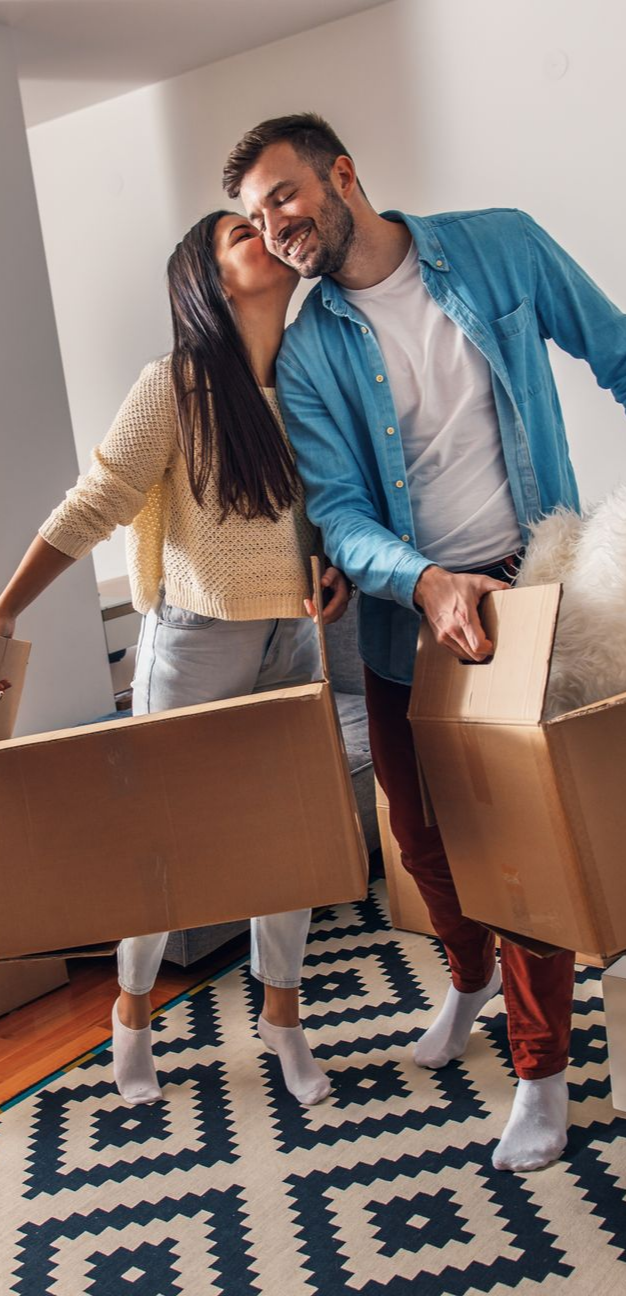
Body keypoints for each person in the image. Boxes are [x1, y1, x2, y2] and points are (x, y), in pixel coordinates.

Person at [223, 111, 626, 1172]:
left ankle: (541, 1071)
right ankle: (468, 978)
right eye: (255, 217)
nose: (274, 229)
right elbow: (345, 510)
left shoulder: (502, 245)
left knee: (521, 848)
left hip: (529, 594)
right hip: (412, 617)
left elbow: (618, 349)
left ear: (341, 175)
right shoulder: (311, 349)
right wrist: (424, 579)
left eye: (283, 198)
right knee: (422, 845)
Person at [0, 208, 351, 1109]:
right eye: (239, 232)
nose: (265, 232)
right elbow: (100, 496)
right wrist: (4, 609)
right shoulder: (177, 384)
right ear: (213, 281)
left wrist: (332, 565)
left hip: (293, 634)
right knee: (163, 850)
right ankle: (134, 1016)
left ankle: (283, 1020)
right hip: (193, 639)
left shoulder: (307, 374)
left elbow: (322, 503)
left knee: (288, 838)